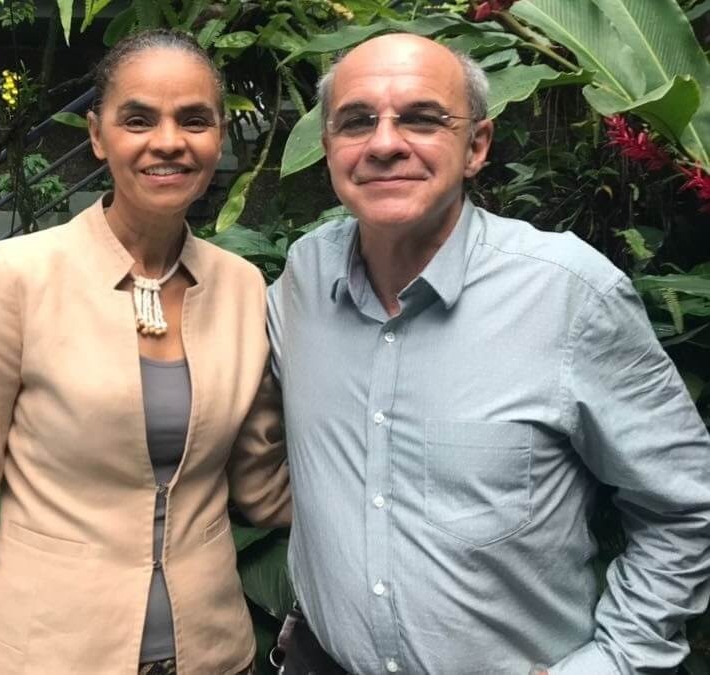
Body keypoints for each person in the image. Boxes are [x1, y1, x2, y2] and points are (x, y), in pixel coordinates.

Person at [268, 33, 710, 675]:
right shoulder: (302, 282)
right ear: (330, 146)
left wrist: (612, 662)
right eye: (356, 121)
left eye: (422, 119)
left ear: (476, 146)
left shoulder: (568, 296)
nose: (384, 143)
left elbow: (686, 505)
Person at [0, 29, 289, 675]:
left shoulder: (241, 286)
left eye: (194, 120)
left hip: (214, 652)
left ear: (219, 136)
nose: (168, 141)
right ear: (97, 135)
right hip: (51, 654)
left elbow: (261, 483)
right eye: (138, 119)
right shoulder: (13, 276)